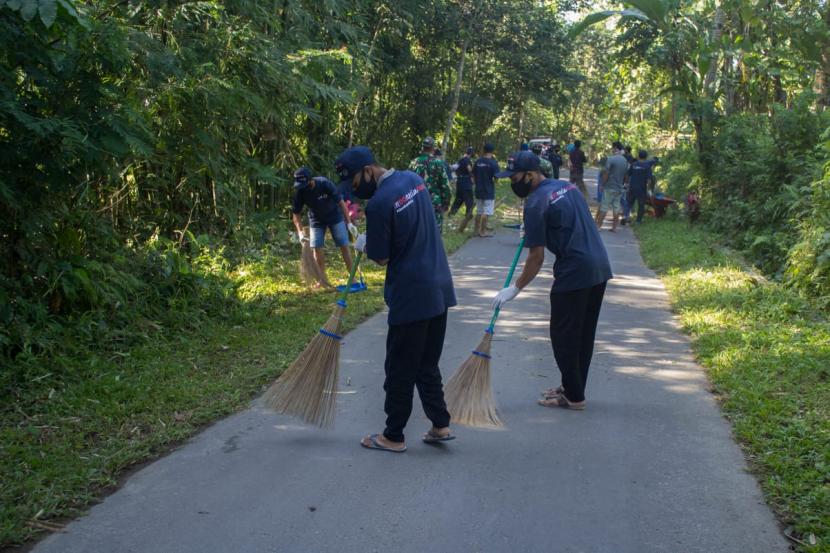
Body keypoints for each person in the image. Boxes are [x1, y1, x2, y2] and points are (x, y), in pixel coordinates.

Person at [335, 146, 457, 452]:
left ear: (368, 170)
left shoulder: (379, 204)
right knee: (427, 363)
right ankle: (440, 424)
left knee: (400, 368)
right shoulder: (413, 179)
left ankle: (393, 436)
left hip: (411, 294)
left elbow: (381, 256)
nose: (353, 190)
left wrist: (365, 244)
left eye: (353, 182)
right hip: (439, 286)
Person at [491, 150, 612, 409]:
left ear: (531, 175)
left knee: (563, 335)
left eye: (515, 178)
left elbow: (536, 257)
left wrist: (515, 288)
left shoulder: (535, 203)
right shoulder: (565, 186)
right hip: (599, 265)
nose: (513, 183)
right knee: (583, 334)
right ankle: (572, 386)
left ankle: (574, 396)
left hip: (574, 271)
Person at [291, 167, 358, 288]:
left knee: (343, 245)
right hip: (316, 220)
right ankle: (322, 280)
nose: (303, 187)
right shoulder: (301, 192)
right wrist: (300, 233)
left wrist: (349, 223)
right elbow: (296, 214)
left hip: (334, 216)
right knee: (316, 247)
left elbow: (341, 203)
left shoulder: (324, 184)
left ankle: (353, 278)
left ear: (310, 180)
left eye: (305, 184)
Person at [410, 137, 452, 233]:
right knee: (435, 233)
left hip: (417, 202)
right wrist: (446, 203)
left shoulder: (414, 163)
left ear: (422, 148)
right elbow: (446, 186)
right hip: (435, 203)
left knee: (420, 232)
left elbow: (408, 184)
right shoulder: (438, 163)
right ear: (433, 148)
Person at [594, 141, 628, 232]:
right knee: (616, 207)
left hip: (609, 187)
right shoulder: (625, 161)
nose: (611, 149)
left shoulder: (611, 159)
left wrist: (602, 184)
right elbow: (626, 175)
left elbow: (606, 173)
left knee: (604, 206)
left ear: (615, 148)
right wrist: (624, 184)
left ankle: (598, 226)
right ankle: (614, 227)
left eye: (612, 148)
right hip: (619, 188)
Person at [472, 143, 500, 237]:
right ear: (492, 152)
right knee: (486, 212)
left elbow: (473, 175)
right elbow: (496, 178)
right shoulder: (493, 163)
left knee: (479, 211)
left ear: (483, 150)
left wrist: (477, 183)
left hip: (478, 189)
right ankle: (482, 231)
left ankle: (476, 230)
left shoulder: (478, 161)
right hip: (488, 190)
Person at [449, 146, 475, 232]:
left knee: (458, 199)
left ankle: (451, 213)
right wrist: (472, 176)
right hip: (466, 182)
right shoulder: (467, 160)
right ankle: (468, 215)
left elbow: (455, 168)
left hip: (459, 181)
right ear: (471, 154)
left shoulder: (461, 159)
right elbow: (469, 169)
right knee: (469, 199)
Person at [625, 150, 654, 224]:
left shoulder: (634, 164)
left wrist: (626, 184)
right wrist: (649, 190)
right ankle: (638, 221)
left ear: (638, 156)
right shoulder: (647, 166)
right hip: (641, 188)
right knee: (641, 205)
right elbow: (649, 180)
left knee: (629, 203)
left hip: (632, 187)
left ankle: (626, 217)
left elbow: (628, 175)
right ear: (646, 157)